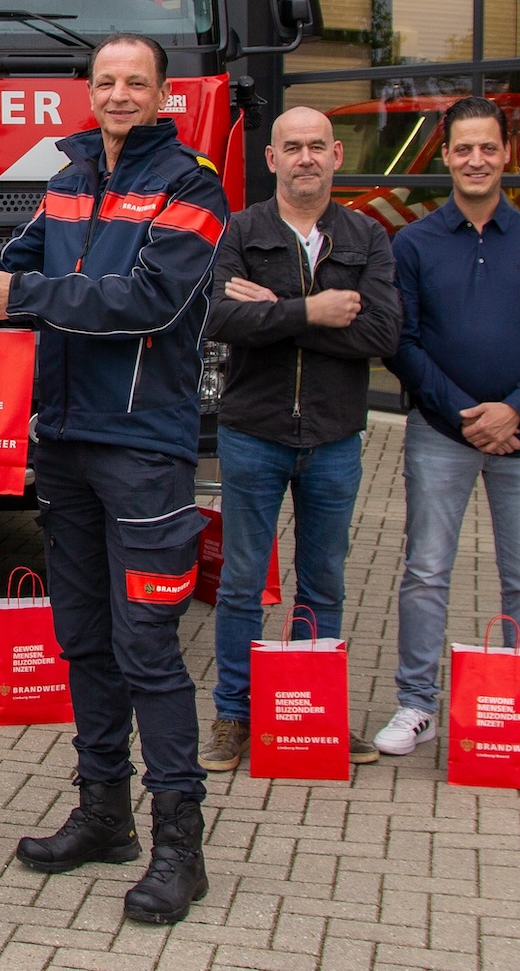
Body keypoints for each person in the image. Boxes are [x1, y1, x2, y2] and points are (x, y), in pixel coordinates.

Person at [0, 33, 230, 926]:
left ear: (163, 94)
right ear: (88, 91)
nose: (120, 94)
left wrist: (28, 299)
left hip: (142, 449)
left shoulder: (193, 187)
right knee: (84, 639)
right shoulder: (67, 178)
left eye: (137, 82)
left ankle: (181, 846)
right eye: (106, 81)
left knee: (148, 647)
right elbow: (8, 269)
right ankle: (104, 813)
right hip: (63, 442)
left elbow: (151, 300)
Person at [378, 95, 520, 763]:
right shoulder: (413, 243)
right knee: (425, 571)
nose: (475, 159)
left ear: (507, 154)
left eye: (487, 147)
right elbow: (402, 343)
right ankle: (417, 703)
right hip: (442, 433)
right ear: (444, 155)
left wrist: (513, 409)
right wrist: (468, 414)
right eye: (463, 148)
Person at [197, 106, 399, 773]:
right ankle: (234, 713)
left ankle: (313, 711)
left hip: (334, 436)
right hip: (253, 433)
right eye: (292, 147)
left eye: (317, 146)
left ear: (336, 155)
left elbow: (381, 334)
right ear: (273, 158)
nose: (305, 157)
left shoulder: (366, 235)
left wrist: (274, 315)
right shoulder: (242, 229)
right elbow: (219, 318)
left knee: (324, 582)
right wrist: (314, 310)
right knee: (241, 584)